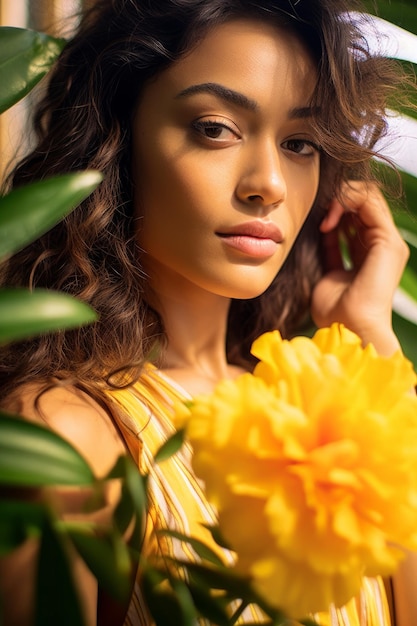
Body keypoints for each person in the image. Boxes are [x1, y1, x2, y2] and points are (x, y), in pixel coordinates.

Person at [0, 0, 416, 624]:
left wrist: (370, 336)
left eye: (300, 142)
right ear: (118, 139)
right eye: (215, 127)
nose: (269, 183)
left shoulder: (314, 419)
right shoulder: (66, 438)